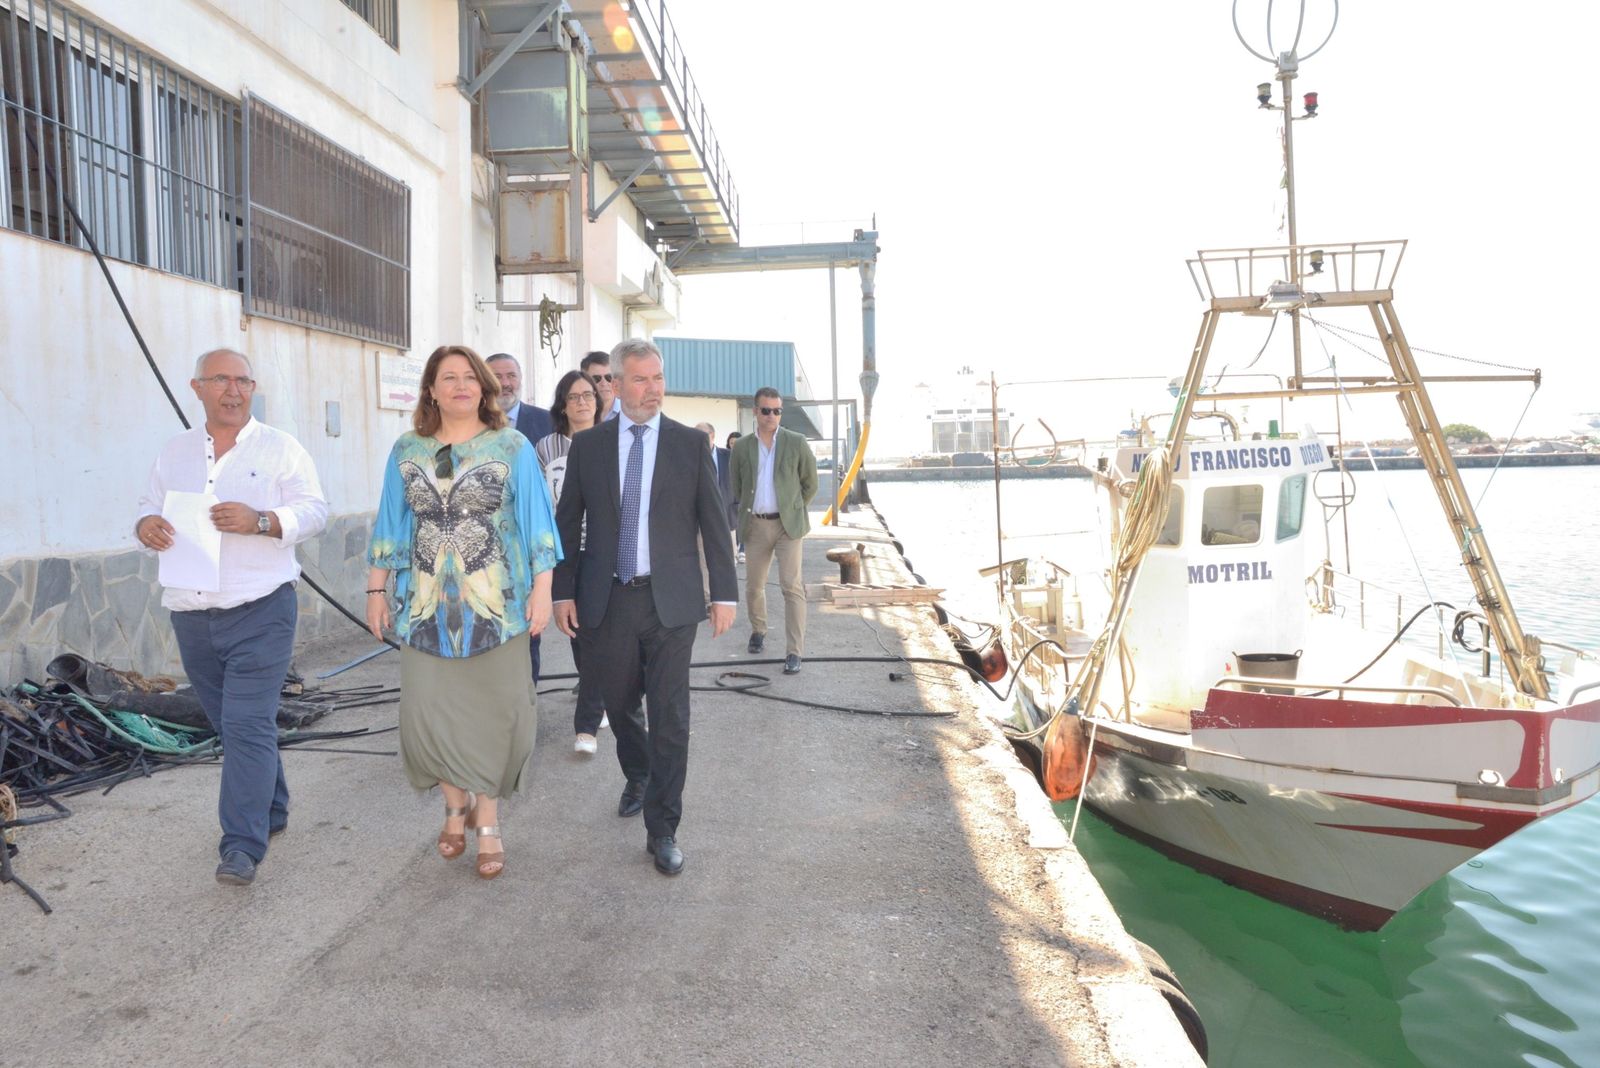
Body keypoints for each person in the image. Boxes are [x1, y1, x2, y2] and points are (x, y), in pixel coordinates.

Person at [366, 344, 561, 881]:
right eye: (447, 377)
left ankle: (489, 821)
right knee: (433, 712)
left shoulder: (513, 446)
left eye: (468, 377)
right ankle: (455, 808)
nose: (459, 386)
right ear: (430, 389)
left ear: (484, 388)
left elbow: (539, 525)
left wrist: (543, 590)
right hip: (423, 608)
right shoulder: (407, 449)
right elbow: (390, 523)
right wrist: (376, 591)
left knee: (497, 715)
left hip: (497, 610)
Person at [136, 348, 328, 886]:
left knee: (244, 725)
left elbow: (315, 510)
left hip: (261, 608)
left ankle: (241, 845)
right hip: (193, 613)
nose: (234, 389)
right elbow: (147, 506)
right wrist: (145, 525)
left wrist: (262, 519)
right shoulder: (173, 453)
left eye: (243, 380)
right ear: (196, 388)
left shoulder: (280, 449)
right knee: (238, 726)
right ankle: (273, 808)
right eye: (221, 379)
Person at [553, 339, 737, 876]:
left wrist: (722, 592)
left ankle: (663, 828)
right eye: (640, 379)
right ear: (615, 383)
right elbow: (568, 525)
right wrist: (563, 591)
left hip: (672, 601)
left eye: (658, 379)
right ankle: (638, 771)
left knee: (671, 714)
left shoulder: (687, 445)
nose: (653, 389)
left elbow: (714, 521)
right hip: (606, 598)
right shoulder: (589, 448)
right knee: (617, 700)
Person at [534, 369, 609, 755]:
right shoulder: (546, 448)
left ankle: (587, 724)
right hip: (562, 551)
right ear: (563, 405)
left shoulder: (610, 441)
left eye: (588, 395)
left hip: (602, 551)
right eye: (574, 397)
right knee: (577, 632)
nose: (582, 402)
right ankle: (600, 694)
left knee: (594, 633)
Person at [732, 387, 819, 675]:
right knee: (753, 586)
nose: (772, 416)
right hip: (756, 525)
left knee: (791, 588)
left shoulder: (796, 442)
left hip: (787, 526)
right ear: (755, 412)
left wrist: (793, 508)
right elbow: (737, 486)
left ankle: (795, 651)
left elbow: (810, 483)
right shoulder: (743, 446)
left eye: (777, 410)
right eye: (766, 410)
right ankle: (759, 630)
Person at [488, 352, 554, 683]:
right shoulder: (467, 426)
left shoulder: (546, 422)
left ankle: (525, 705)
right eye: (497, 375)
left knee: (528, 632)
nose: (505, 382)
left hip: (529, 545)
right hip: (482, 553)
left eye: (511, 374)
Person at [581, 350, 621, 421]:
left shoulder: (630, 413)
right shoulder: (576, 413)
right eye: (596, 378)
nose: (604, 383)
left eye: (609, 377)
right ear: (584, 380)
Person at [726, 431, 745, 562]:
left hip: (744, 493)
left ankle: (742, 549)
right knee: (731, 524)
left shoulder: (746, 456)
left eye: (736, 443)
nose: (734, 445)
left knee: (742, 522)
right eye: (731, 443)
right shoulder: (724, 457)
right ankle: (733, 551)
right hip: (729, 494)